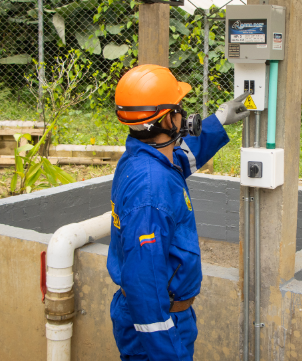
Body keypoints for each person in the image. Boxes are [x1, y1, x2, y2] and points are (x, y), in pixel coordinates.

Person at [107, 64, 249, 360]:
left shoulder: (145, 160)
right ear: (167, 119)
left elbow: (183, 157)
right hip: (157, 327)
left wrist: (220, 118)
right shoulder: (150, 190)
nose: (184, 114)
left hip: (170, 317)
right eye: (179, 108)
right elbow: (145, 286)